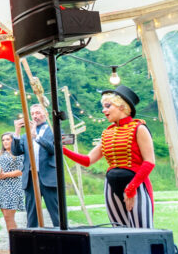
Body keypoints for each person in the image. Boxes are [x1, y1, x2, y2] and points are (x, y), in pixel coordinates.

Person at [62, 86, 154, 228]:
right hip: (111, 185)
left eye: (107, 106)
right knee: (118, 231)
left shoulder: (139, 128)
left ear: (122, 106)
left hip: (136, 184)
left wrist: (132, 187)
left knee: (142, 231)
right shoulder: (107, 133)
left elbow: (149, 162)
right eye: (103, 106)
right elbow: (88, 160)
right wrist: (62, 149)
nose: (103, 110)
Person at [12, 104, 61, 228]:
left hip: (48, 177)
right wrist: (17, 132)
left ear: (46, 114)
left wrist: (37, 137)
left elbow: (54, 149)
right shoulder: (25, 135)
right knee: (31, 215)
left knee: (56, 214)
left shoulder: (54, 129)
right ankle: (31, 243)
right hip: (30, 179)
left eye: (38, 113)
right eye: (32, 113)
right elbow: (16, 151)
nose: (35, 116)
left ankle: (62, 240)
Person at [0, 132, 25, 233]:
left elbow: (21, 171)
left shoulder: (18, 154)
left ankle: (15, 242)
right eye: (3, 140)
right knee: (6, 217)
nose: (5, 142)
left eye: (7, 139)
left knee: (9, 216)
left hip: (13, 188)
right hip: (1, 188)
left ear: (13, 141)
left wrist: (4, 175)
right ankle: (14, 240)